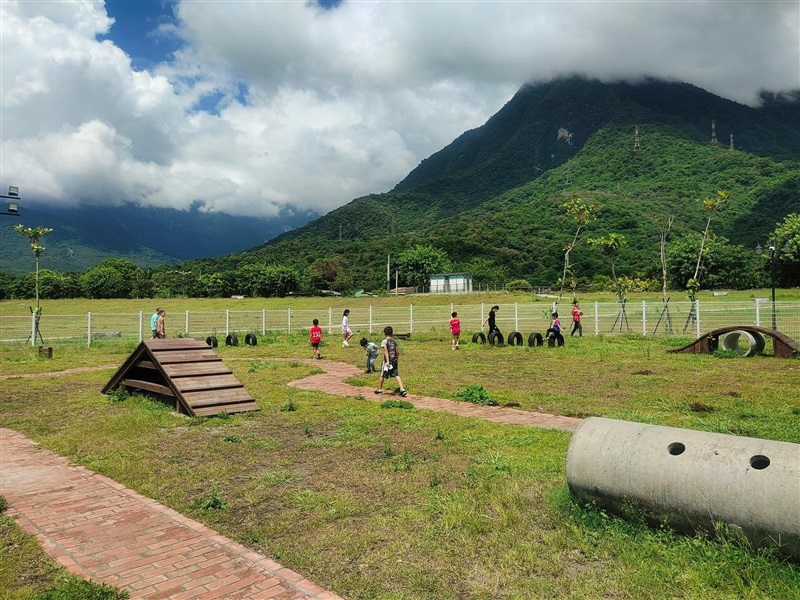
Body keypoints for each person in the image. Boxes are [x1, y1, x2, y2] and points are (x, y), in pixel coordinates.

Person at [374, 326, 407, 397]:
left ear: (384, 333)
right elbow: (397, 352)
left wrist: (387, 362)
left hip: (387, 362)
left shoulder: (384, 341)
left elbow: (385, 352)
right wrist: (397, 360)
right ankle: (402, 389)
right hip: (394, 360)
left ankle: (379, 389)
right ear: (392, 333)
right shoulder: (394, 341)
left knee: (382, 374)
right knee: (396, 375)